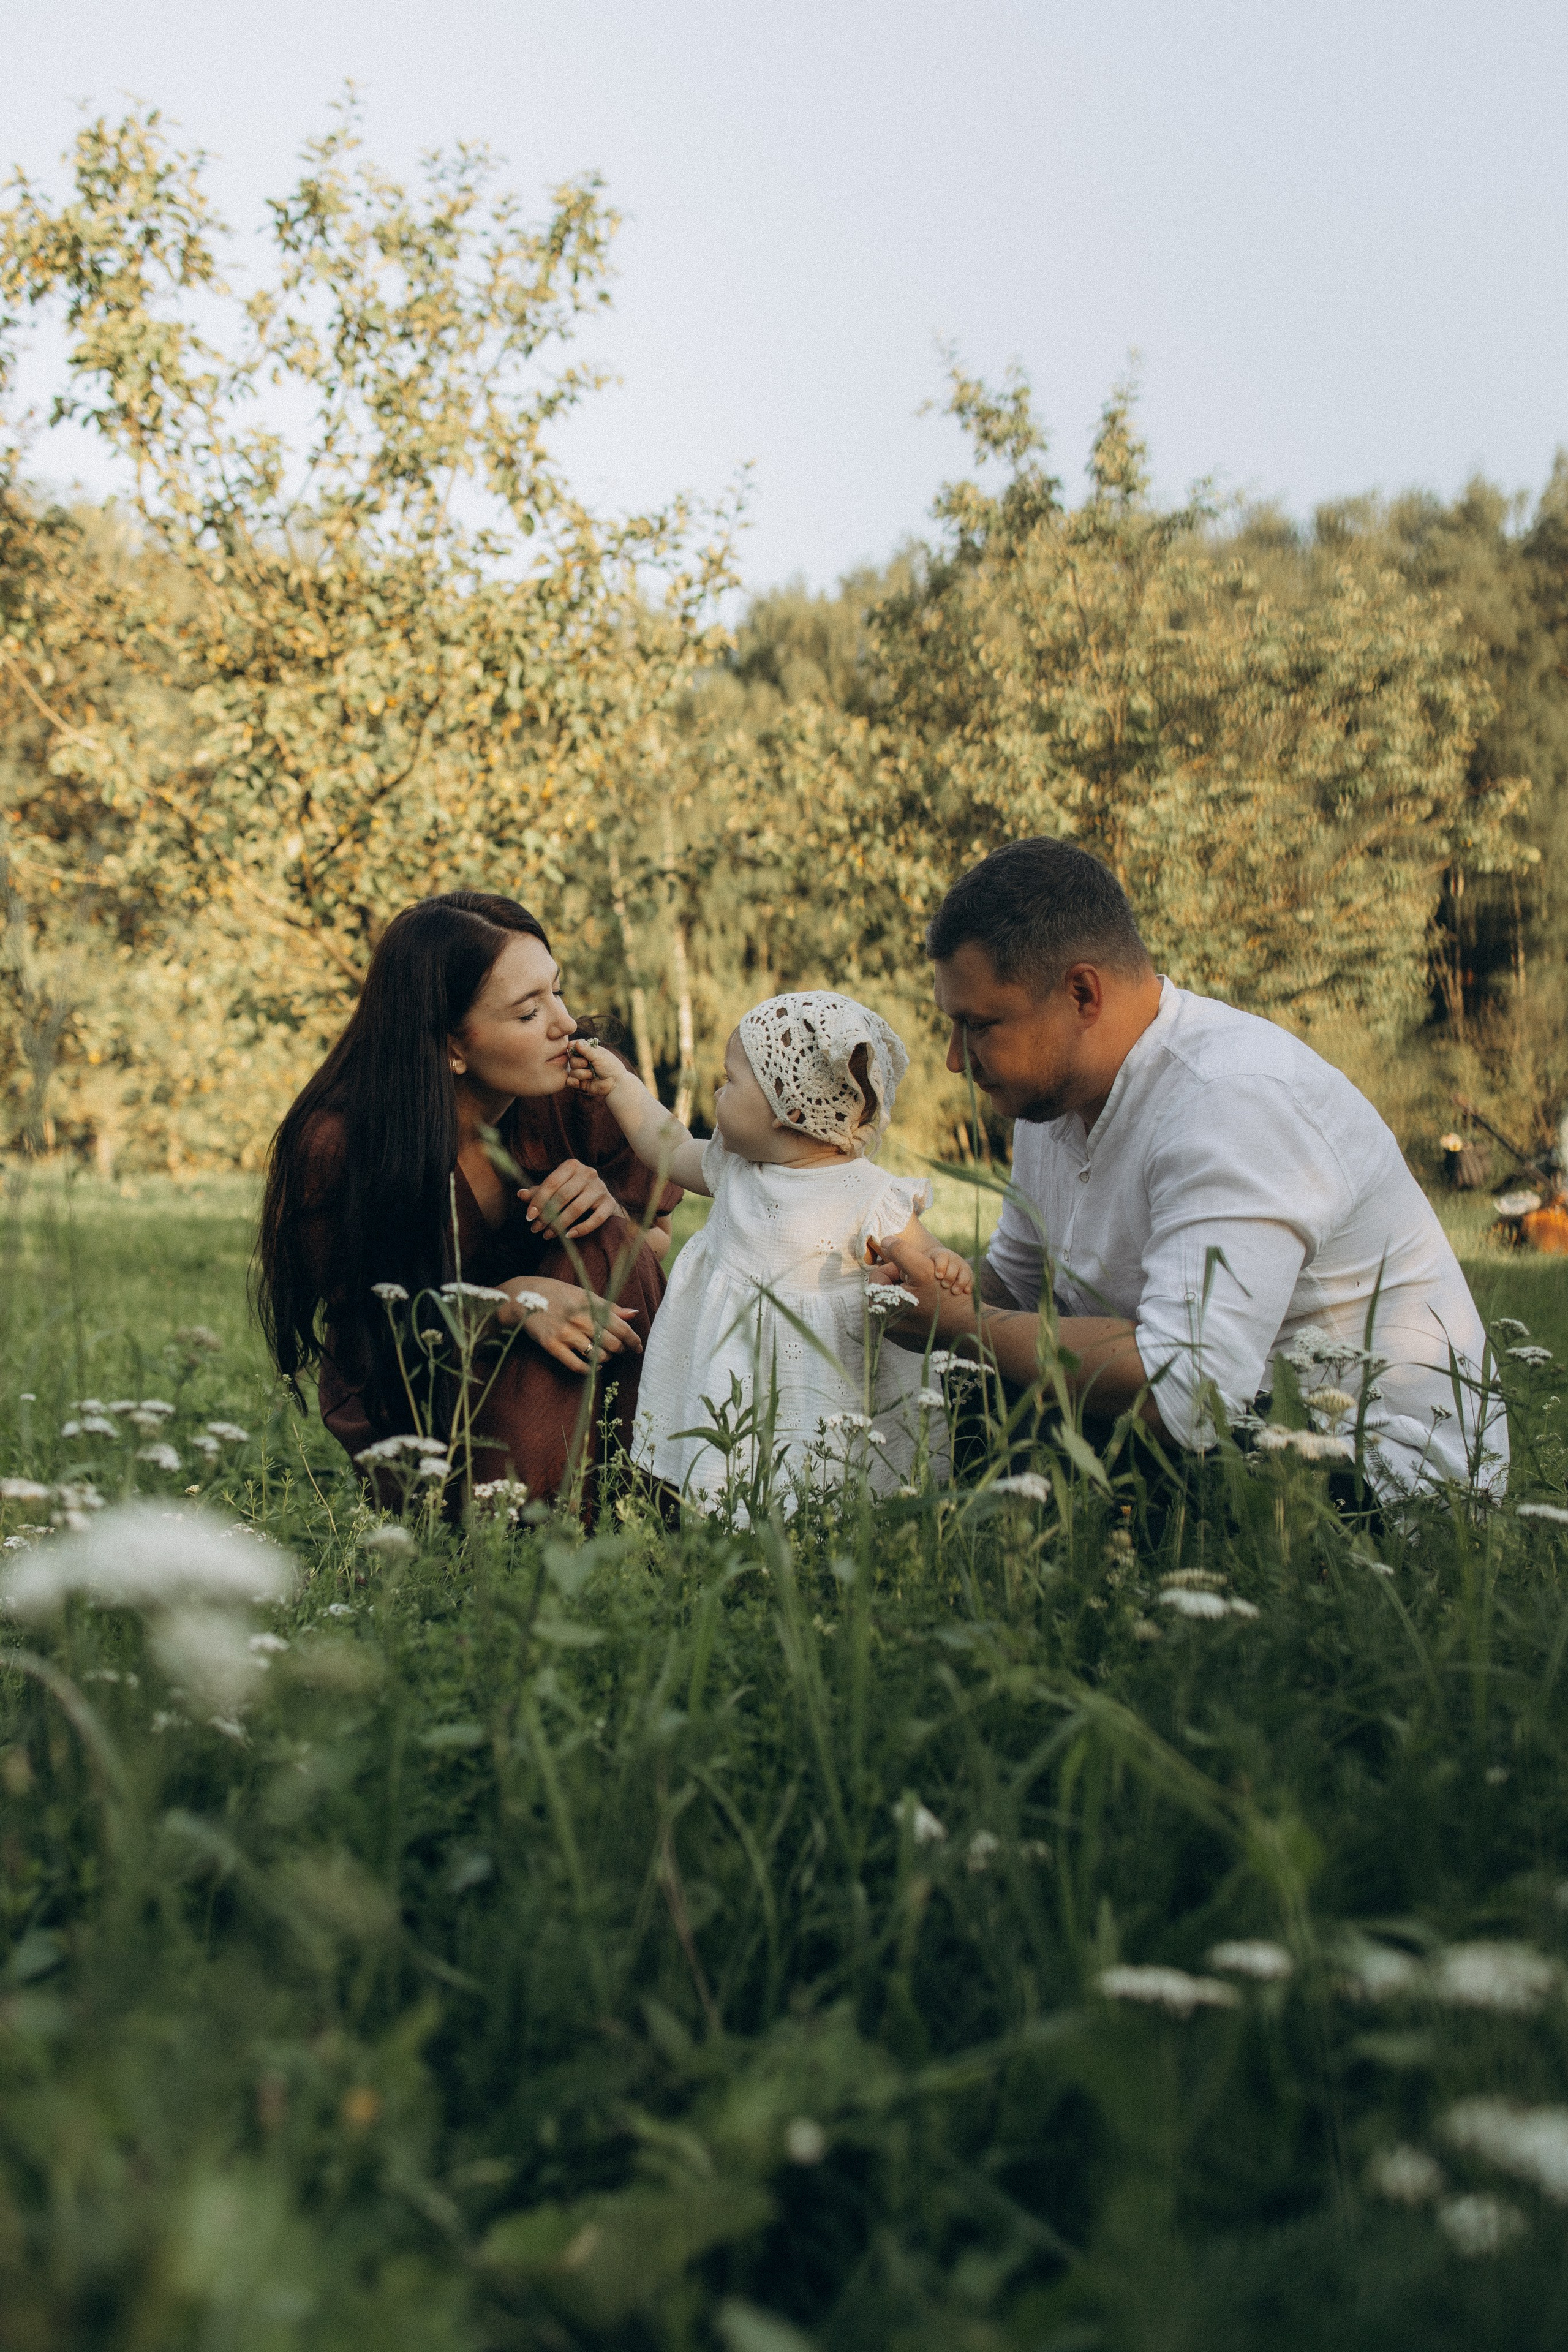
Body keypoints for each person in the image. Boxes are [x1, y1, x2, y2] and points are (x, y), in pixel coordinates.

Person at [873, 838, 1508, 1502]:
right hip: (1225, 1433)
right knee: (979, 1383)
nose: (954, 1059)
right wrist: (922, 1272)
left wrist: (960, 1325)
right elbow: (1013, 1293)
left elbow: (1187, 1390)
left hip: (1376, 1475)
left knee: (995, 1372)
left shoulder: (1230, 1099)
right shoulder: (1052, 1103)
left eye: (977, 1025)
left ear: (1082, 993)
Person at [255, 891, 680, 1506]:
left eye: (557, 991)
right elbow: (373, 1328)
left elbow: (654, 1248)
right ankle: (518, 1531)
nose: (565, 1025)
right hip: (430, 1414)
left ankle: (633, 1507)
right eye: (529, 1012)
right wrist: (508, 1303)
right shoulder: (338, 1145)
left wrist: (607, 1213)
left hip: (591, 1391)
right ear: (451, 1045)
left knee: (606, 1239)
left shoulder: (582, 1084)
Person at [567, 992, 972, 1509]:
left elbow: (928, 1262)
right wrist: (621, 1085)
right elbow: (664, 1144)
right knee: (728, 1479)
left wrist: (946, 1267)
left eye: (731, 1080)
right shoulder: (736, 1169)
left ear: (789, 1108)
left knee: (833, 1485)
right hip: (736, 1379)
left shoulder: (871, 1195)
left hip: (827, 1386)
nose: (718, 1090)